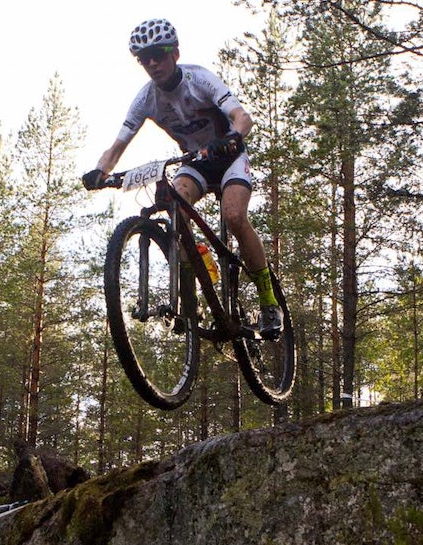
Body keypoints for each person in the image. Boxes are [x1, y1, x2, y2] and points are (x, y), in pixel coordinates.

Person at [82, 18, 283, 339]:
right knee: (175, 209)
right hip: (194, 163)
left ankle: (269, 301)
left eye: (158, 54)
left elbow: (242, 118)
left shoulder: (198, 79)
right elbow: (116, 146)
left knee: (234, 216)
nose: (151, 63)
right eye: (142, 58)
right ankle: (195, 288)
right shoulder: (146, 98)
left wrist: (232, 137)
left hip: (229, 156)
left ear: (174, 53)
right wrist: (100, 172)